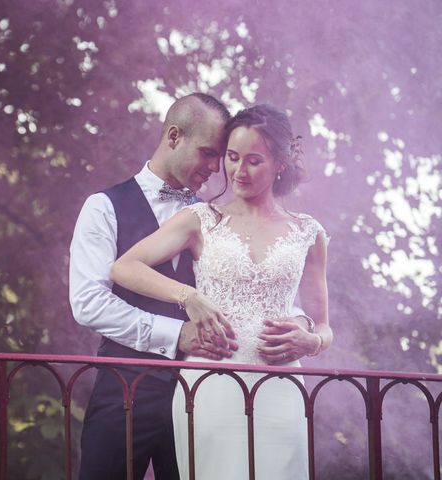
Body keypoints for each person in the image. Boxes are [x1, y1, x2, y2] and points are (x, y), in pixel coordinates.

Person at [110, 104, 333, 479]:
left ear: (280, 163)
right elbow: (124, 267)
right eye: (232, 157)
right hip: (210, 387)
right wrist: (189, 296)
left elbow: (324, 327)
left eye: (253, 160)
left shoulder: (308, 233)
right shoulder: (201, 219)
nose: (238, 171)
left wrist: (311, 342)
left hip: (281, 390)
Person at [69, 93, 237, 480]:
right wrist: (177, 333)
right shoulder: (103, 206)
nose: (216, 168)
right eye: (208, 152)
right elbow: (88, 303)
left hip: (201, 394)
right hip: (123, 388)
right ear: (174, 136)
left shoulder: (215, 220)